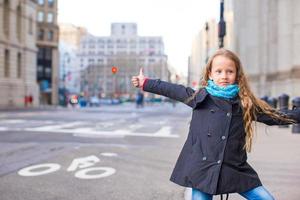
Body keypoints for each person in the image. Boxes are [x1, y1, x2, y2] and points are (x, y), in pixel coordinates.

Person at [131, 48, 300, 200]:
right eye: (218, 71)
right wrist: (146, 82)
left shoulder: (244, 103)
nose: (224, 76)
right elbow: (172, 89)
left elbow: (274, 116)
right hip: (202, 167)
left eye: (229, 71)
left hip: (234, 167)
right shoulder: (199, 97)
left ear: (237, 75)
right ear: (210, 74)